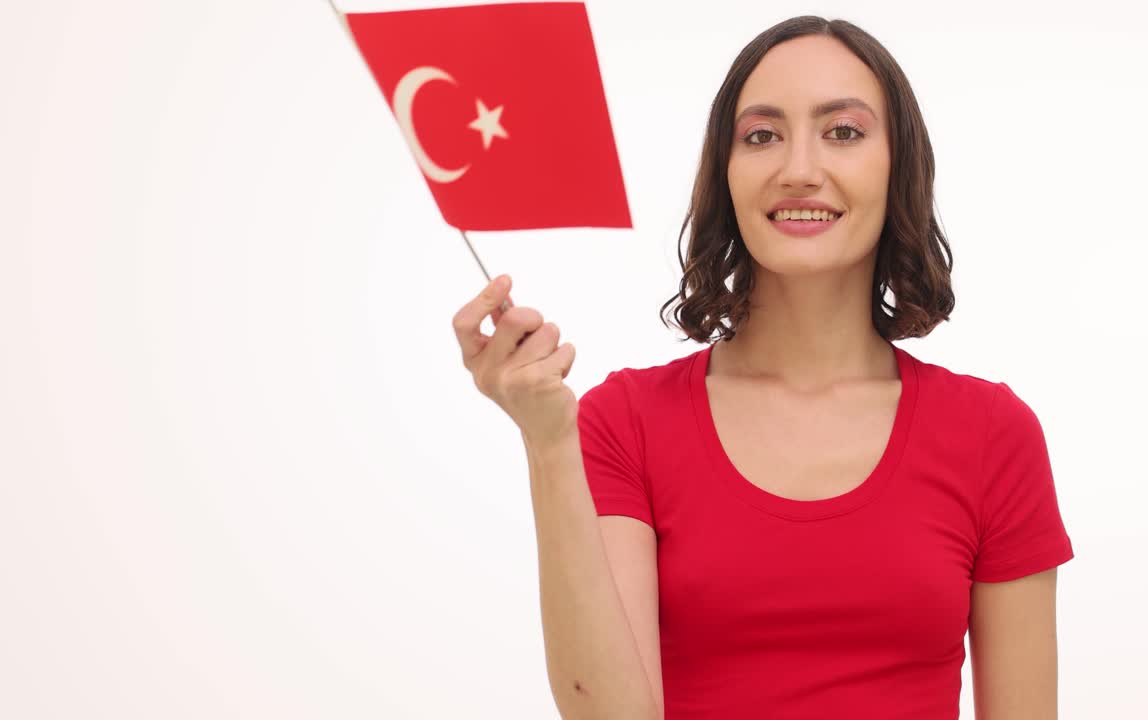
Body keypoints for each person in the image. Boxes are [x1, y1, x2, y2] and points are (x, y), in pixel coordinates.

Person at [451, 15, 1073, 720]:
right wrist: (547, 442)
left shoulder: (994, 436)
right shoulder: (625, 422)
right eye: (761, 135)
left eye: (843, 132)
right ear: (726, 174)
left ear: (899, 166)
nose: (798, 169)